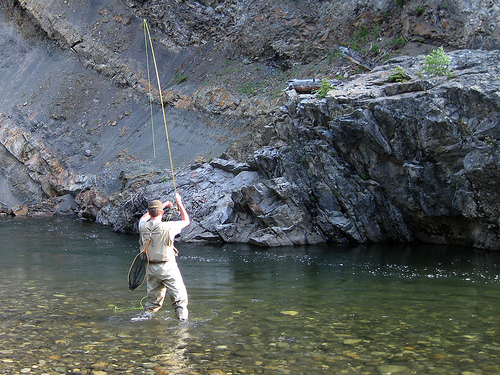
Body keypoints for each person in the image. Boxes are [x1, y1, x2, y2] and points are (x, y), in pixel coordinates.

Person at [137, 192, 190, 321]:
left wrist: (163, 205)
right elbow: (186, 221)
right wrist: (179, 203)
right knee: (180, 299)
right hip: (167, 268)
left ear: (150, 213)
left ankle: (145, 319)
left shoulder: (142, 226)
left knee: (153, 302)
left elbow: (143, 218)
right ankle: (182, 325)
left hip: (150, 268)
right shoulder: (169, 227)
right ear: (162, 213)